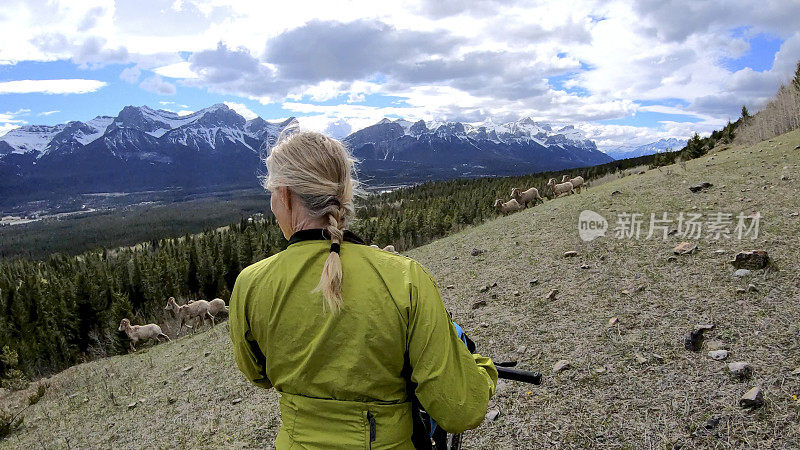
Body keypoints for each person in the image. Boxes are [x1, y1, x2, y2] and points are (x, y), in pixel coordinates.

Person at [229, 130, 497, 449]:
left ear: (285, 194)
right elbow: (460, 409)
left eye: (272, 192)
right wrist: (482, 370)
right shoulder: (406, 279)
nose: (272, 204)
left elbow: (259, 374)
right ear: (343, 195)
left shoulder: (249, 284)